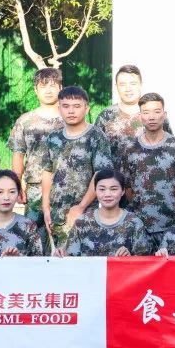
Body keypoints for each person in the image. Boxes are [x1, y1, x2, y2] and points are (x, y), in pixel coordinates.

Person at [39, 87, 114, 250]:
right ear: (59, 109)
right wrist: (46, 208)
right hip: (57, 214)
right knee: (61, 258)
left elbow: (101, 175)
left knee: (84, 258)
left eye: (77, 106)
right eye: (66, 106)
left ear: (86, 108)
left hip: (86, 213)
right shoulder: (53, 138)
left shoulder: (96, 136)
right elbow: (47, 172)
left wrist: (81, 206)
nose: (71, 111)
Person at [120, 92, 175, 247]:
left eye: (157, 111)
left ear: (164, 115)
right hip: (139, 225)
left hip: (171, 225)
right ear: (140, 116)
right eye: (146, 112)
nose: (151, 117)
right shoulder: (129, 148)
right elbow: (127, 187)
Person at [7, 67, 64, 251]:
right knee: (34, 241)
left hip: (65, 188)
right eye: (43, 86)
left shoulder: (69, 118)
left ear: (60, 88)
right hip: (35, 190)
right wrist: (17, 184)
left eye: (53, 85)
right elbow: (18, 154)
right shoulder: (25, 121)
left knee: (66, 244)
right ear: (35, 90)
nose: (48, 90)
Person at [94, 64, 171, 169]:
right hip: (114, 177)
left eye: (133, 83)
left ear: (141, 84)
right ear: (116, 86)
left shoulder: (155, 115)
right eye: (122, 84)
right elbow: (97, 153)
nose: (128, 89)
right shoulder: (106, 116)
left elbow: (169, 147)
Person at [61, 169, 152, 256]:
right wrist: (60, 255)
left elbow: (145, 262)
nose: (107, 194)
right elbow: (71, 260)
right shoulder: (82, 222)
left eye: (113, 189)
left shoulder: (134, 223)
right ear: (95, 190)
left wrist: (129, 258)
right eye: (102, 189)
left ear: (123, 191)